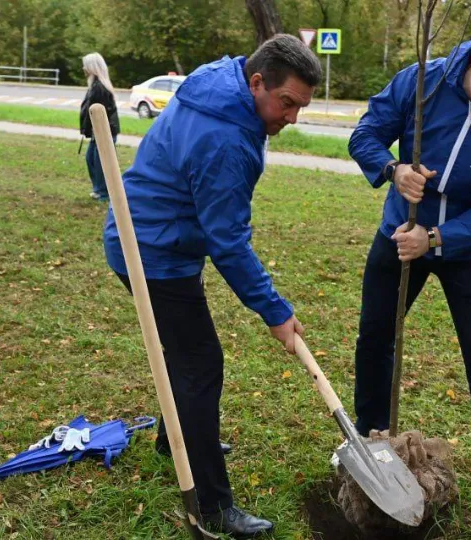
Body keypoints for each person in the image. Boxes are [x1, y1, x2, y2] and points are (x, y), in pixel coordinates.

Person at [102, 35, 321, 538]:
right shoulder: (226, 139)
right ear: (257, 81)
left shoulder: (220, 80)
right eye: (286, 103)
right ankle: (213, 503)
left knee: (183, 355)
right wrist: (275, 310)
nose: (291, 118)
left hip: (149, 233)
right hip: (152, 254)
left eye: (301, 107)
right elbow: (228, 241)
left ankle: (171, 439)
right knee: (200, 364)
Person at [347, 17, 471, 515]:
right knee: (376, 338)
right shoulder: (424, 81)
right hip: (399, 235)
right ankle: (369, 444)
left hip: (470, 251)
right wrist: (392, 169)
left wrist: (437, 237)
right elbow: (366, 133)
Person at [79, 52, 120, 202]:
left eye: (86, 64)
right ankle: (99, 189)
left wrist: (95, 131)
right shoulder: (95, 85)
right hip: (98, 133)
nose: (84, 68)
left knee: (101, 164)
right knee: (91, 159)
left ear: (92, 67)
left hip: (104, 132)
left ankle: (104, 192)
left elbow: (99, 113)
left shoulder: (99, 88)